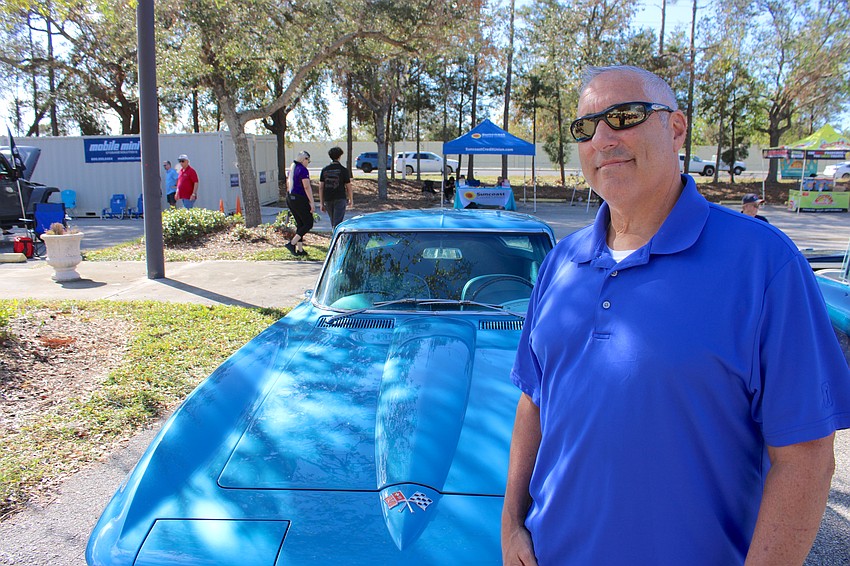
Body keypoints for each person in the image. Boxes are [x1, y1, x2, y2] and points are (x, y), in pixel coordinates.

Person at [502, 65, 850, 566]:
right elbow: (533, 401)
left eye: (624, 116)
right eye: (585, 126)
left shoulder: (763, 262)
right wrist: (511, 524)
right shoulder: (560, 261)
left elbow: (806, 456)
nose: (602, 138)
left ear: (677, 128)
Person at [285, 151, 315, 256]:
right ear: (304, 159)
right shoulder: (303, 170)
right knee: (308, 223)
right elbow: (306, 186)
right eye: (308, 160)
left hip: (290, 197)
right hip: (299, 198)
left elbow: (288, 184)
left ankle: (300, 250)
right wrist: (312, 202)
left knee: (300, 224)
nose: (308, 162)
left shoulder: (292, 168)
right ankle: (292, 243)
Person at [319, 146, 353, 229]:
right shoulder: (343, 170)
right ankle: (336, 238)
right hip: (340, 197)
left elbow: (321, 187)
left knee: (333, 220)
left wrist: (321, 202)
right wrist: (351, 199)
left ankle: (335, 236)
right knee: (338, 221)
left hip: (328, 198)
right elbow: (348, 186)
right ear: (339, 156)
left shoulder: (324, 170)